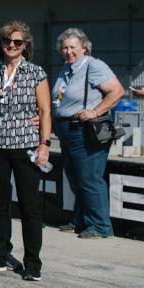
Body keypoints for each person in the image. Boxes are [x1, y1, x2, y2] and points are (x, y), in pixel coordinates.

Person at [0, 21, 52, 280]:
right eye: (7, 42)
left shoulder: (36, 73)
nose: (12, 46)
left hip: (27, 145)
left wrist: (44, 144)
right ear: (1, 44)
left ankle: (32, 261)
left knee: (30, 207)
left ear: (25, 46)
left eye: (17, 42)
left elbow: (44, 111)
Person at [52, 28, 125, 239]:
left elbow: (117, 91)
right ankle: (80, 220)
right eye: (64, 47)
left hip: (85, 130)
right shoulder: (66, 69)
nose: (68, 51)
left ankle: (100, 226)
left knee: (90, 178)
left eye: (73, 47)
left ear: (84, 47)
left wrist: (95, 110)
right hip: (67, 131)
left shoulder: (94, 66)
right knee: (76, 179)